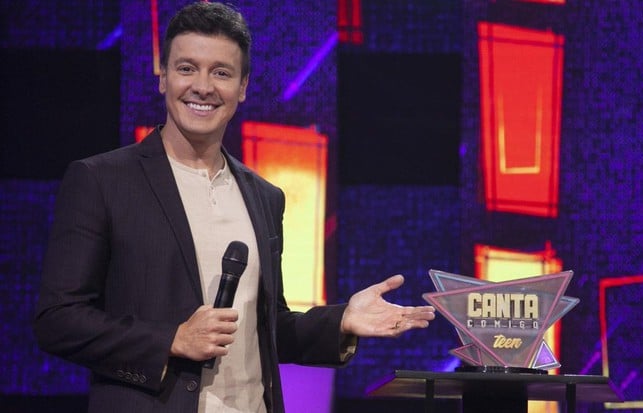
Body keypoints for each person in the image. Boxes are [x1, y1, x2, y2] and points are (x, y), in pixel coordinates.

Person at [33, 2, 435, 413]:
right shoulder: (102, 180)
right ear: (163, 77)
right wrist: (171, 339)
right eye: (187, 68)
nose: (203, 86)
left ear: (242, 87)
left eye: (221, 72)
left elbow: (266, 327)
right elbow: (58, 320)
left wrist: (341, 321)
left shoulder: (264, 196)